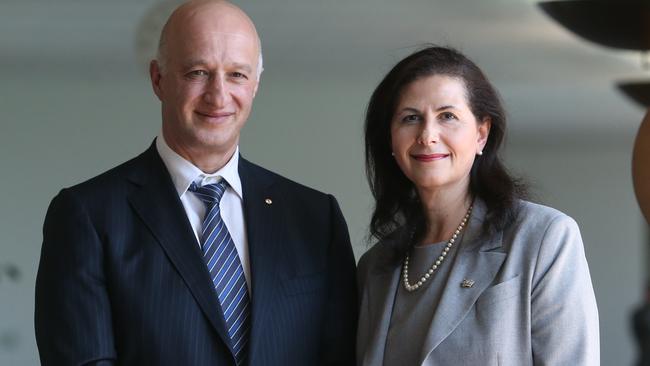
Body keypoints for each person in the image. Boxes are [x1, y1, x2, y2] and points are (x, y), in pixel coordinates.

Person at [34, 1, 357, 365]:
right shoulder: (87, 215)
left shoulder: (315, 218)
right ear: (158, 79)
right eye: (198, 72)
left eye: (237, 74)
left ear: (256, 85)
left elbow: (340, 355)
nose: (218, 95)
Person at [356, 46, 599, 365]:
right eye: (411, 118)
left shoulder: (544, 238)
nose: (427, 135)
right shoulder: (375, 266)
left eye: (447, 116)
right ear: (390, 138)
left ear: (482, 134)